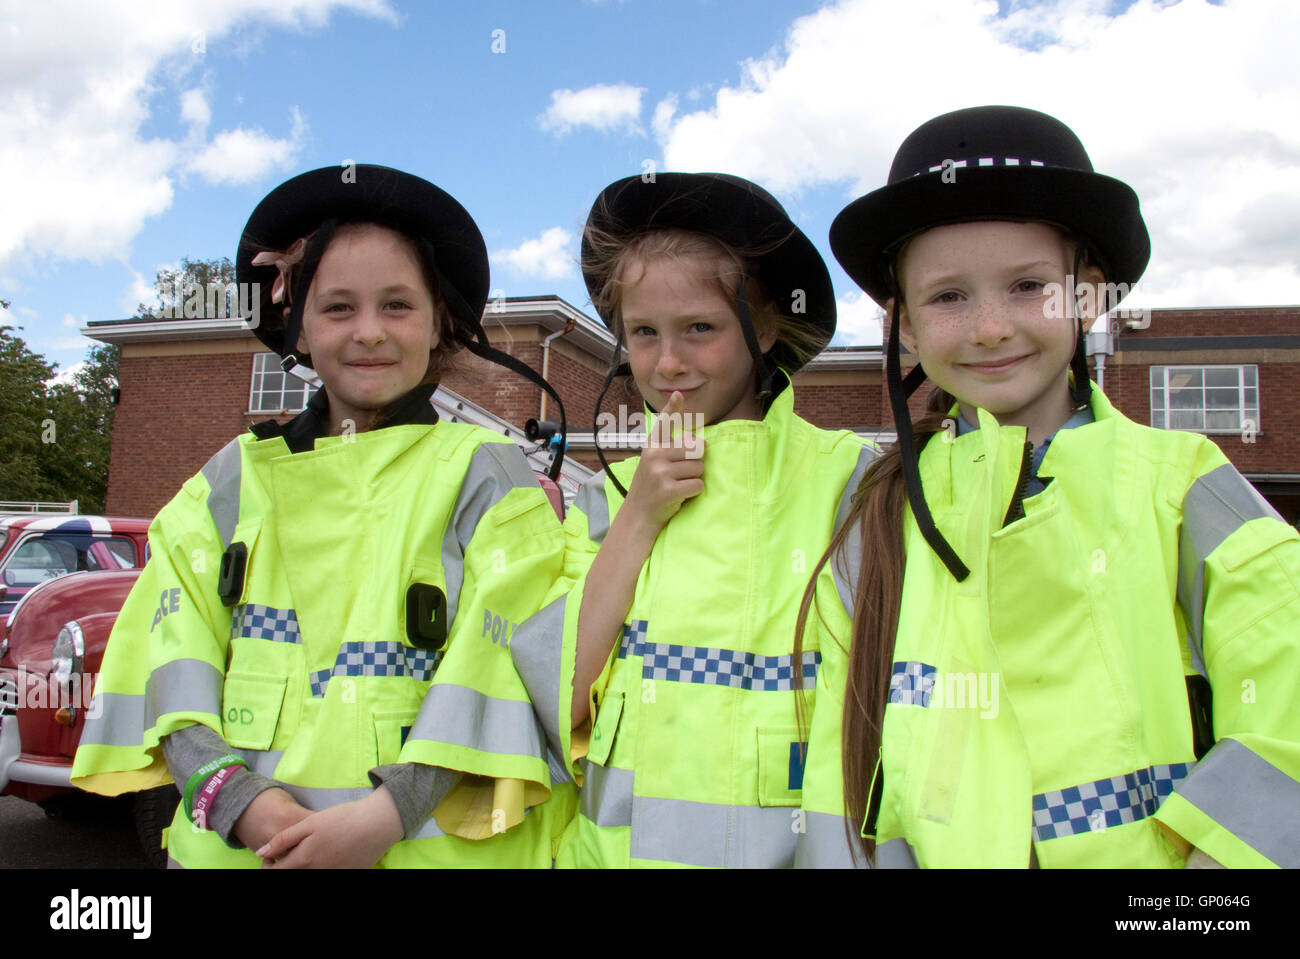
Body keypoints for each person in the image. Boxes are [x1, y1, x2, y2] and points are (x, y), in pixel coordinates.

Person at [795, 105, 1300, 868]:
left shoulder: (1183, 480)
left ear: (1087, 297)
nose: (990, 327)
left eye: (1028, 286)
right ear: (902, 326)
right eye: (948, 296)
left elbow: (1285, 701)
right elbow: (845, 747)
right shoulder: (883, 507)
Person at [72, 164, 576, 867]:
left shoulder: (486, 475)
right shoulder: (228, 480)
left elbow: (504, 670)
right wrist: (241, 802)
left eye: (397, 305)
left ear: (440, 326)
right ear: (298, 328)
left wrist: (385, 816)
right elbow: (169, 659)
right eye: (339, 307)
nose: (368, 331)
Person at [509, 172, 873, 867]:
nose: (668, 362)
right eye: (643, 332)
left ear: (764, 327)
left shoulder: (847, 483)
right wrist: (639, 518)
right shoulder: (605, 498)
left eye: (699, 328)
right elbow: (557, 704)